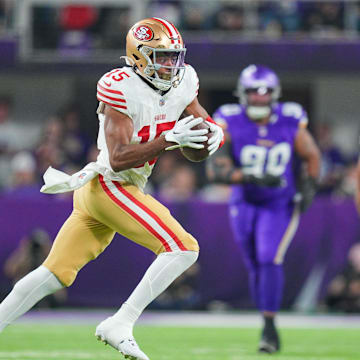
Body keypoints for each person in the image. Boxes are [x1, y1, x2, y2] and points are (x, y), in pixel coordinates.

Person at [0, 17, 224, 360]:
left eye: (173, 56)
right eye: (161, 56)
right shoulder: (120, 86)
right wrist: (168, 141)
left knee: (54, 273)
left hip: (106, 190)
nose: (170, 64)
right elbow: (119, 158)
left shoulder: (184, 80)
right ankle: (121, 322)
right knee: (183, 248)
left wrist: (212, 135)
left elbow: (197, 134)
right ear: (138, 56)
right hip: (110, 184)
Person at [207, 64, 320, 354]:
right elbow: (215, 171)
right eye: (253, 92)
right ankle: (266, 319)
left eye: (265, 92)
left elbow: (311, 155)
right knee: (254, 264)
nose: (259, 98)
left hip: (278, 202)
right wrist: (249, 177)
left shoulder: (290, 118)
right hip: (244, 199)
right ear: (242, 94)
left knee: (269, 257)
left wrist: (309, 187)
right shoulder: (228, 120)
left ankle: (269, 328)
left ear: (275, 94)